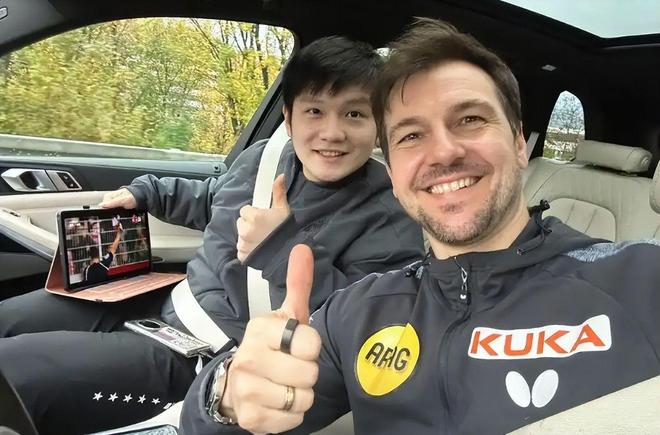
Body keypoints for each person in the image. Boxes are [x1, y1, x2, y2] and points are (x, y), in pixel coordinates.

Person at [180, 18, 660, 435]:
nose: (444, 151)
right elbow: (212, 424)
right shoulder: (359, 311)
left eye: (469, 119)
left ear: (519, 144)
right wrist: (227, 393)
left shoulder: (639, 279)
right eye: (411, 135)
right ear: (392, 171)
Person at [0, 36, 424, 435]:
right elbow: (212, 200)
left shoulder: (392, 216)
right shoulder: (264, 159)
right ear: (289, 117)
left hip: (208, 355)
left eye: (354, 114)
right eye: (315, 111)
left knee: (14, 370)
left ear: (378, 124)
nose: (332, 132)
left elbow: (359, 325)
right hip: (162, 301)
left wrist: (280, 247)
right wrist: (146, 193)